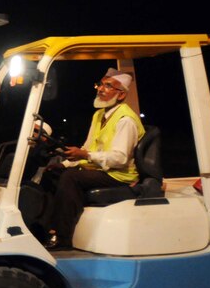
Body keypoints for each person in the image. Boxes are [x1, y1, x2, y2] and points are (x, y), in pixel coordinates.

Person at [43, 69, 145, 249]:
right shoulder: (99, 115)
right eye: (101, 84)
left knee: (71, 178)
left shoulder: (125, 120)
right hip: (101, 170)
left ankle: (64, 239)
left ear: (121, 95)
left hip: (119, 175)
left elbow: (119, 158)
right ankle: (46, 230)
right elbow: (88, 147)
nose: (100, 89)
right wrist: (65, 162)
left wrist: (85, 155)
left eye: (108, 86)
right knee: (54, 172)